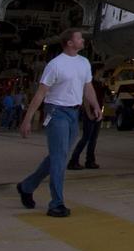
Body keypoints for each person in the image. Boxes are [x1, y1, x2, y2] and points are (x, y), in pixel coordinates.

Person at [15, 28, 101, 218]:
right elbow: (41, 93)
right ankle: (56, 204)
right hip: (56, 112)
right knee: (60, 159)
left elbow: (87, 86)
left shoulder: (84, 62)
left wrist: (94, 105)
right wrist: (27, 120)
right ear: (70, 43)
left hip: (73, 113)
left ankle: (27, 186)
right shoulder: (55, 65)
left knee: (57, 156)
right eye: (79, 38)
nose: (83, 40)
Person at [68, 78, 108, 170]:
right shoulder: (90, 83)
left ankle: (90, 160)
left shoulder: (100, 84)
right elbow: (86, 98)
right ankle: (74, 160)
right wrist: (89, 113)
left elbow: (103, 98)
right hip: (90, 113)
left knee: (93, 139)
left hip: (97, 112)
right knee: (86, 138)